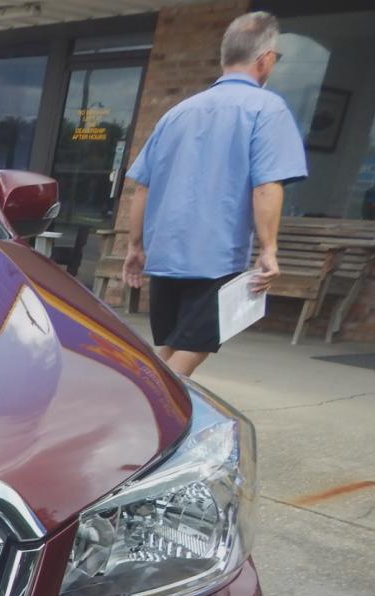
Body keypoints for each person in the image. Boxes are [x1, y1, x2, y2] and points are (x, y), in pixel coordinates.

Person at [121, 11, 308, 376]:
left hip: (167, 252)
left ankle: (139, 403)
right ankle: (146, 418)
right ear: (265, 58)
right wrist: (269, 250)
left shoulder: (177, 113)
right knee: (193, 348)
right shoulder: (267, 109)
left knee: (174, 344)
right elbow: (267, 186)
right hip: (216, 255)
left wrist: (134, 246)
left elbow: (143, 186)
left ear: (226, 58)